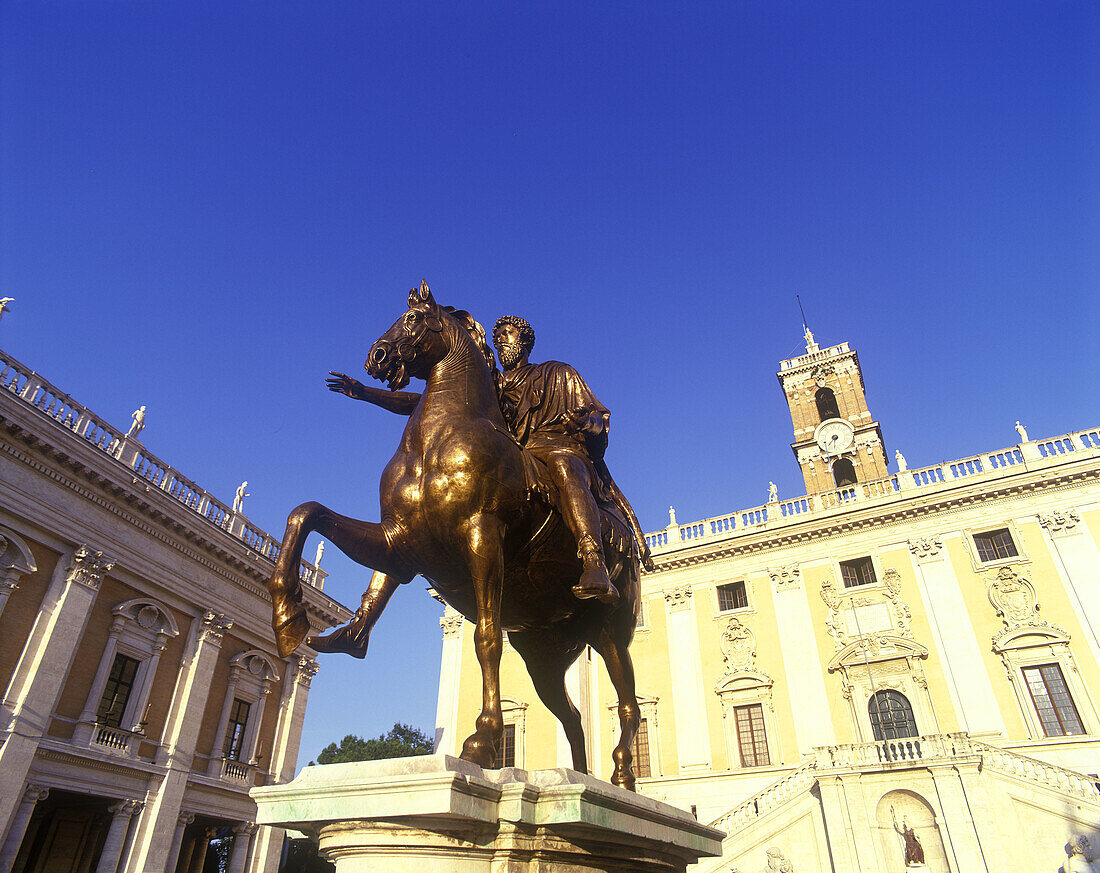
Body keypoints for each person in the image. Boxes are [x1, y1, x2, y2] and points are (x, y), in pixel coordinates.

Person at [493, 315, 653, 604]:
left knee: (561, 465)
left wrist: (582, 423)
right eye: (498, 335)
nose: (502, 338)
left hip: (561, 449)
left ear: (525, 340)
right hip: (516, 453)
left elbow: (598, 418)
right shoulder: (491, 385)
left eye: (509, 332)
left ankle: (594, 562)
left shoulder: (558, 373)